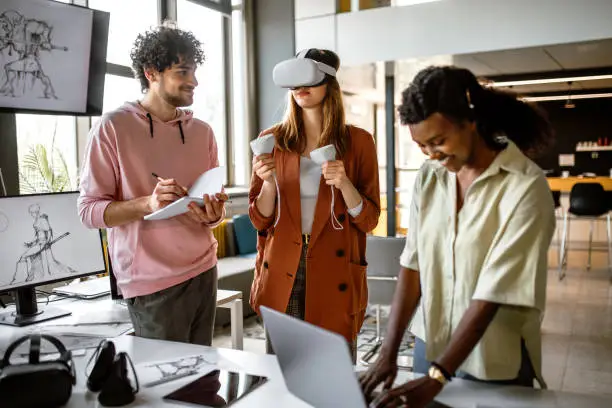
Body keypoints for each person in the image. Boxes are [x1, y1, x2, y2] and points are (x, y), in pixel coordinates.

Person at [360, 66, 556, 407]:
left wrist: (437, 377)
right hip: (429, 345)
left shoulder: (525, 186)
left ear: (471, 121)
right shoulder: (430, 178)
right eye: (422, 146)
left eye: (438, 141)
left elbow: (492, 294)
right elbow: (413, 264)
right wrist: (388, 353)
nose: (432, 154)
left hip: (494, 359)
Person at [78, 24, 227, 346]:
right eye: (183, 71)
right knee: (166, 389)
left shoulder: (203, 132)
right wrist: (148, 204)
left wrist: (213, 214)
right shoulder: (112, 128)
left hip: (204, 269)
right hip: (151, 283)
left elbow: (213, 206)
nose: (194, 81)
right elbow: (89, 212)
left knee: (201, 379)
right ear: (151, 72)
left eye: (195, 71)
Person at [248, 49, 381, 358]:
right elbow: (259, 220)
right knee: (283, 371)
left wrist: (345, 183)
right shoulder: (272, 140)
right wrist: (268, 183)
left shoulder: (358, 142)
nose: (300, 88)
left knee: (333, 370)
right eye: (293, 82)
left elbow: (369, 220)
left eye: (307, 79)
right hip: (283, 265)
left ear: (329, 83)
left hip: (335, 269)